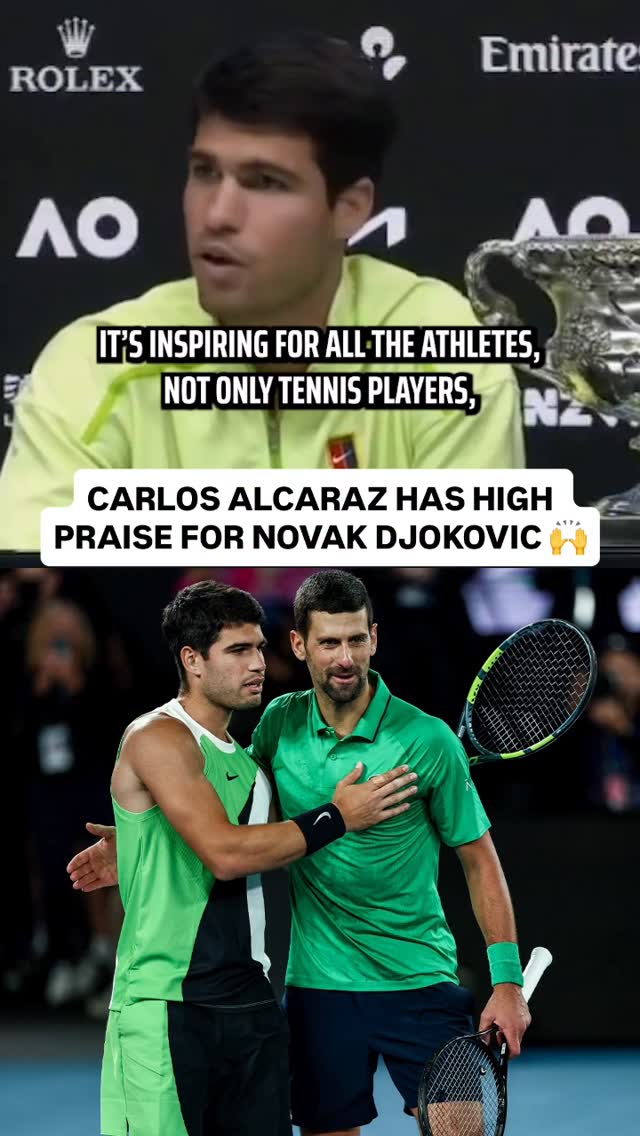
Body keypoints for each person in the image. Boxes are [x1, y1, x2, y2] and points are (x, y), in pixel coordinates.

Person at [0, 30, 524, 551]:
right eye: (205, 172)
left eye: (266, 182)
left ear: (351, 207)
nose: (217, 214)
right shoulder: (94, 365)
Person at [69, 570, 531, 1135]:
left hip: (420, 980)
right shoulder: (276, 726)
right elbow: (235, 822)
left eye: (356, 640)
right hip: (318, 989)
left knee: (462, 1130)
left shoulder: (428, 739)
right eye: (329, 642)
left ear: (374, 639)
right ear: (300, 645)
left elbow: (480, 861)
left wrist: (505, 982)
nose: (345, 657)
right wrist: (148, 838)